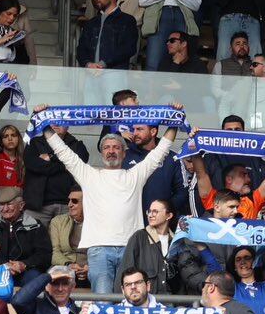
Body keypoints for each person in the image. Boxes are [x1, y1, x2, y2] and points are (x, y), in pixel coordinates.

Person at [47, 109, 181, 295]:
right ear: (101, 152)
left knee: (130, 301)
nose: (111, 151)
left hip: (131, 248)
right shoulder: (88, 174)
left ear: (124, 153)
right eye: (107, 147)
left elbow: (161, 150)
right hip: (99, 250)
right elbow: (63, 152)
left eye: (116, 147)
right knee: (102, 301)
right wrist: (44, 125)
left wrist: (175, 119)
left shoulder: (135, 174)